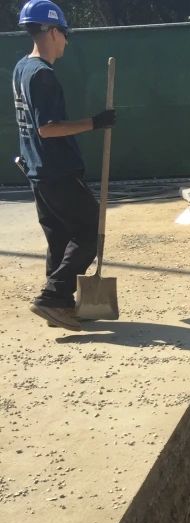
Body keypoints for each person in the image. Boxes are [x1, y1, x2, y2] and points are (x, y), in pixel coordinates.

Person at [12, 0, 116, 332]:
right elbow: (48, 127)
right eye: (65, 34)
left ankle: (58, 305)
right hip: (56, 170)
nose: (66, 42)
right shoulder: (42, 75)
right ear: (54, 32)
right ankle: (53, 296)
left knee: (59, 239)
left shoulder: (21, 68)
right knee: (88, 231)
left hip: (38, 171)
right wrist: (95, 123)